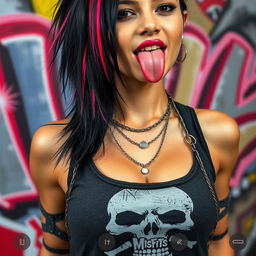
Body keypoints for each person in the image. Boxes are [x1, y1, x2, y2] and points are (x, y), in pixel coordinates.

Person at [29, 0, 240, 255]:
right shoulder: (53, 146)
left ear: (183, 21)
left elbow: (218, 242)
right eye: (125, 13)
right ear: (92, 30)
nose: (150, 25)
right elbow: (54, 249)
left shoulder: (217, 134)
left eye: (164, 8)